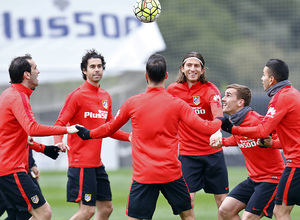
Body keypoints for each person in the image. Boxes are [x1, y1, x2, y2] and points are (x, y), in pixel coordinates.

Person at [75, 53, 223, 220]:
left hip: (144, 175)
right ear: (166, 76)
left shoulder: (132, 103)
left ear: (146, 76)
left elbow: (109, 128)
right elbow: (206, 127)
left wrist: (88, 134)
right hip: (171, 173)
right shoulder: (177, 104)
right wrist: (219, 120)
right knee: (188, 215)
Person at [53, 49, 131, 220]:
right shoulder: (76, 96)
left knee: (106, 209)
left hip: (96, 164)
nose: (97, 69)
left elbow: (110, 128)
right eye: (93, 66)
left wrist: (130, 137)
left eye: (100, 66)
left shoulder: (105, 97)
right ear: (84, 70)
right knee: (87, 211)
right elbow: (59, 124)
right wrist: (58, 141)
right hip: (81, 163)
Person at [218, 59, 300, 220]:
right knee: (224, 210)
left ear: (271, 80)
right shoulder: (292, 94)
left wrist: (231, 129)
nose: (261, 78)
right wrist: (222, 141)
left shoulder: (280, 98)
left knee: (280, 212)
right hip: (265, 175)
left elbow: (263, 131)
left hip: (291, 166)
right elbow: (286, 138)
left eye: (263, 75)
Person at [0, 54, 78, 220]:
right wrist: (66, 129)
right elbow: (32, 128)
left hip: (9, 167)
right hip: (11, 169)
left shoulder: (10, 94)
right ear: (26, 75)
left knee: (19, 216)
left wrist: (32, 148)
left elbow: (15, 131)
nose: (39, 71)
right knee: (43, 213)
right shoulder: (17, 97)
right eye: (35, 68)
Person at [166, 51, 229, 216]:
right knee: (187, 202)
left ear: (202, 70)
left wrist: (217, 130)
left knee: (223, 204)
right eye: (189, 65)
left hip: (213, 154)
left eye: (196, 66)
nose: (192, 69)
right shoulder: (172, 90)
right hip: (187, 155)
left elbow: (218, 113)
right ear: (182, 68)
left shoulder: (210, 90)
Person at [211, 84, 285, 220]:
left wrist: (272, 143)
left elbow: (283, 140)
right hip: (253, 179)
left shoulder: (258, 121)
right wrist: (221, 142)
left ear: (240, 102)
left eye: (228, 95)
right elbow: (239, 137)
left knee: (248, 218)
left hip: (272, 179)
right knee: (225, 210)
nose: (223, 99)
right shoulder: (237, 124)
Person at [0, 137, 62, 220]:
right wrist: (67, 130)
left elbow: (24, 138)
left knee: (25, 213)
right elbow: (32, 129)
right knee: (37, 212)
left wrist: (31, 163)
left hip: (20, 169)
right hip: (10, 171)